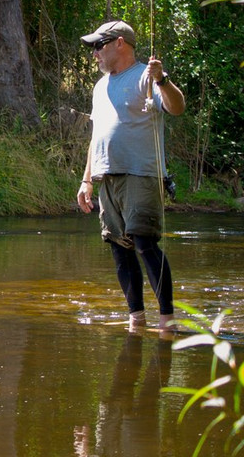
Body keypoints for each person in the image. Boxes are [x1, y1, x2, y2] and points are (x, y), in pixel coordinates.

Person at [75, 20, 185, 331]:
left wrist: (162, 79)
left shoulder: (146, 77)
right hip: (107, 177)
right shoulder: (100, 86)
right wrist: (86, 180)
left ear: (119, 43)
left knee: (144, 243)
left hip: (142, 175)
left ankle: (167, 321)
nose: (94, 53)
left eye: (99, 46)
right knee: (118, 246)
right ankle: (136, 318)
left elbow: (177, 108)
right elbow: (96, 136)